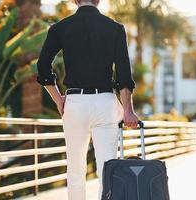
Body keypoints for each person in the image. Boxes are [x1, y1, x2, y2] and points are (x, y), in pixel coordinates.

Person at [36, 0, 139, 199]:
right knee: (107, 168)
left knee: (75, 170)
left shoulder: (60, 28)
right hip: (106, 103)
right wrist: (128, 110)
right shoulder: (115, 28)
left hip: (75, 103)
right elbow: (124, 74)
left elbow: (42, 67)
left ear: (75, 0)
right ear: (98, 0)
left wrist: (58, 99)